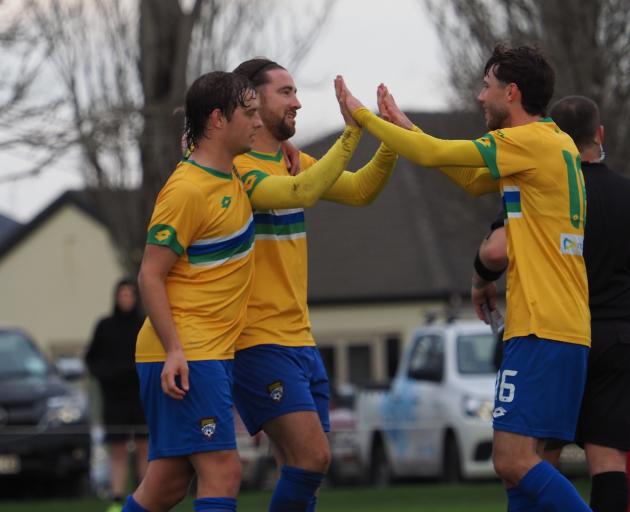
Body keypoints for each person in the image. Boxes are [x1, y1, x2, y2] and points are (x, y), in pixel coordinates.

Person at [340, 44, 592, 511]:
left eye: (487, 86)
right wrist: (407, 128)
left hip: (542, 328)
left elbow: (435, 156)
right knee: (527, 475)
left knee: (512, 461)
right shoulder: (552, 142)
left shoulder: (528, 141)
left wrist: (364, 118)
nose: (480, 97)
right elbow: (472, 178)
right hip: (565, 328)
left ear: (511, 92)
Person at [122, 71, 362, 512]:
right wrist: (175, 349)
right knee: (224, 472)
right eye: (249, 114)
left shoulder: (231, 174)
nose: (258, 122)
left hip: (208, 352)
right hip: (187, 352)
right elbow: (149, 276)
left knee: (167, 486)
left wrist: (284, 145)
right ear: (218, 120)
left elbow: (244, 151)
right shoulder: (187, 189)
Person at [231, 58, 397, 511]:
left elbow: (361, 190)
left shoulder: (292, 161)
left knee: (303, 472)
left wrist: (392, 137)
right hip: (256, 340)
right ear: (251, 100)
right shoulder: (237, 168)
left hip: (300, 339)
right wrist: (352, 131)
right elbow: (303, 192)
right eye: (285, 92)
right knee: (314, 457)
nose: (298, 102)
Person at [85, 278, 148, 512]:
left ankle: (144, 497)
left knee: (144, 448)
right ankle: (116, 499)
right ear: (116, 297)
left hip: (140, 398)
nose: (126, 299)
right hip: (114, 399)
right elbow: (91, 359)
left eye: (130, 295)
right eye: (122, 295)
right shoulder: (105, 326)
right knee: (118, 451)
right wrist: (107, 376)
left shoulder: (144, 325)